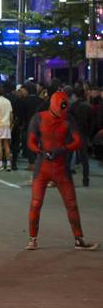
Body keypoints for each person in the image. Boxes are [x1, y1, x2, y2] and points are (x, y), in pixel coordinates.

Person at [26, 91, 98, 251]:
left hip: (58, 167)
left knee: (70, 204)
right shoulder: (40, 118)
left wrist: (59, 149)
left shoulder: (66, 118)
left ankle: (77, 239)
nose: (61, 113)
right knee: (36, 204)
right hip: (47, 167)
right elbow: (30, 141)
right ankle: (33, 238)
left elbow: (77, 141)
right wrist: (42, 151)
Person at [69, 87, 93, 187]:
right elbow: (92, 122)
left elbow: (68, 120)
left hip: (73, 134)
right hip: (83, 134)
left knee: (68, 157)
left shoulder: (72, 106)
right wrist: (89, 134)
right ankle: (86, 179)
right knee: (84, 159)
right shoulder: (88, 106)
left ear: (75, 95)